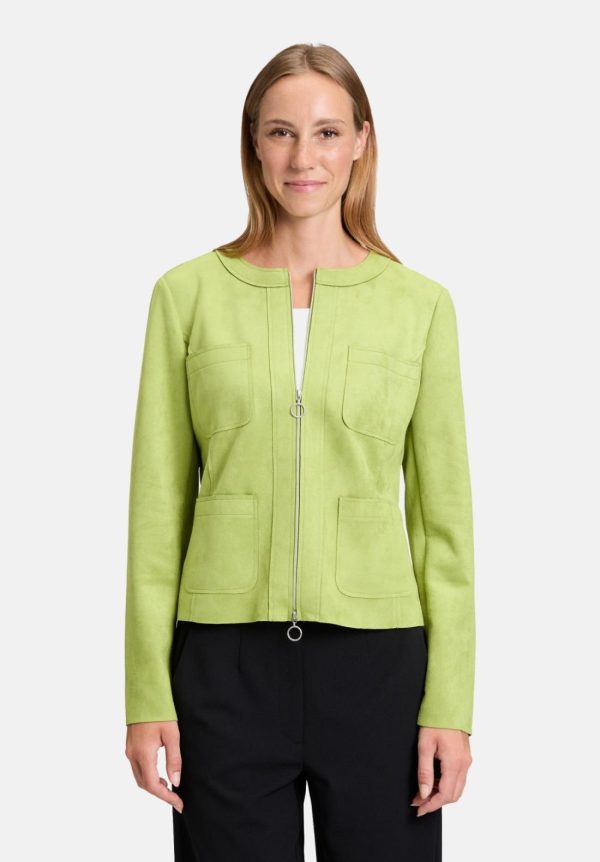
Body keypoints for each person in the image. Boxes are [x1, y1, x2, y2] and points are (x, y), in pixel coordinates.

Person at [124, 42, 475, 862]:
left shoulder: (420, 306)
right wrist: (146, 694)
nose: (303, 157)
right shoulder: (186, 296)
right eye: (281, 132)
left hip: (379, 669)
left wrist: (450, 706)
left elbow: (443, 529)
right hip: (223, 671)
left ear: (361, 141)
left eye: (326, 132)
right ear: (254, 141)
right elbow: (157, 514)